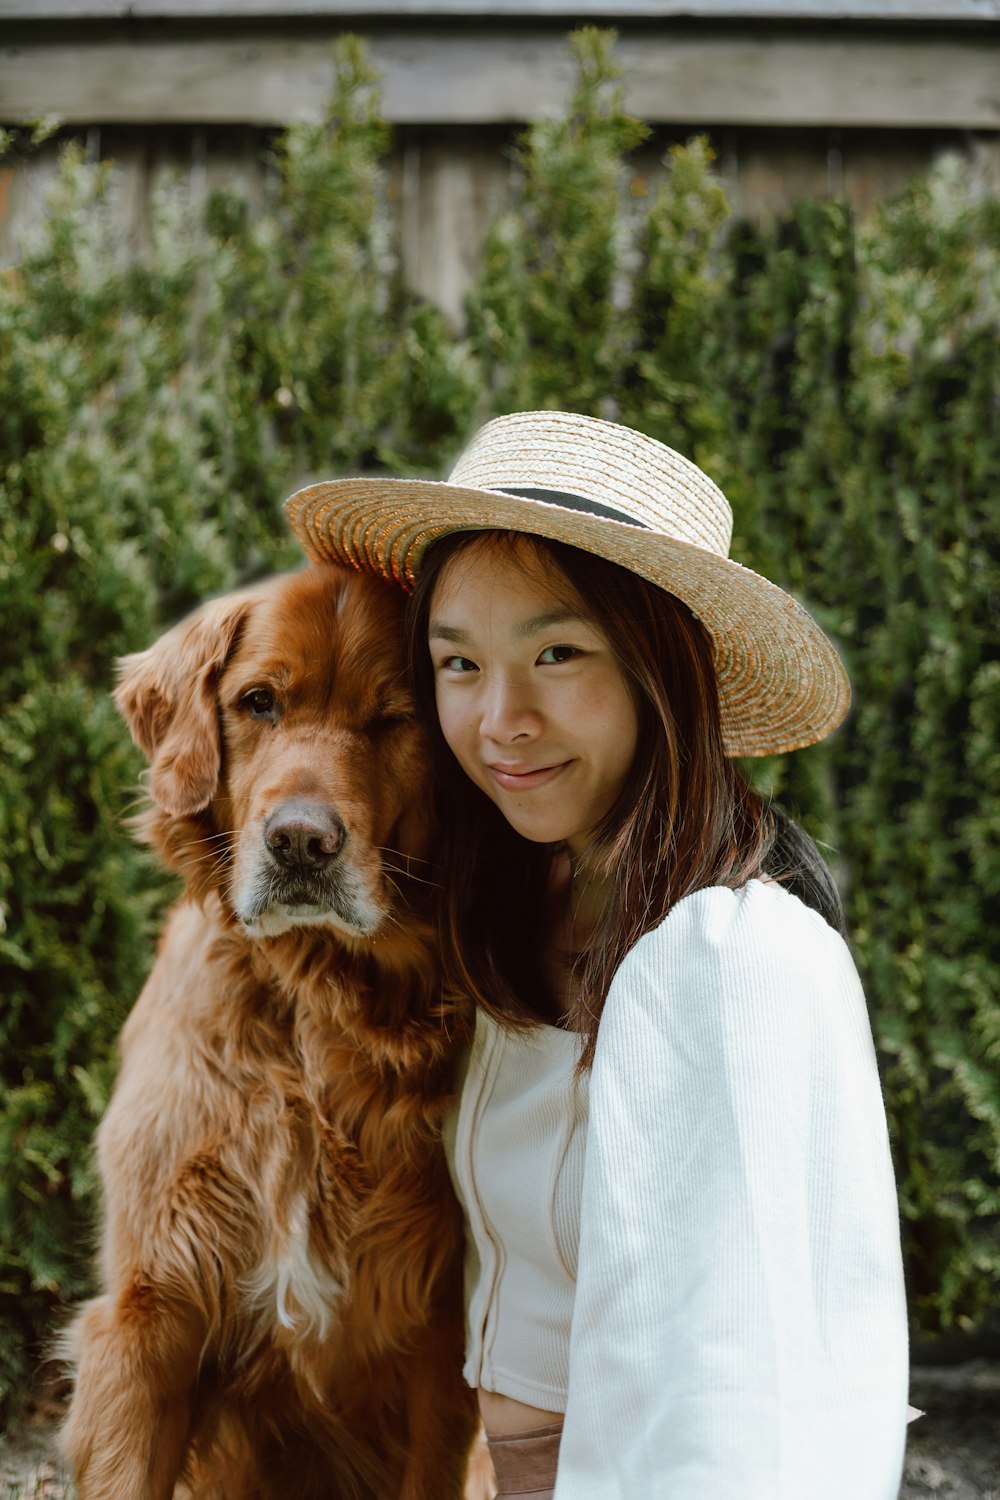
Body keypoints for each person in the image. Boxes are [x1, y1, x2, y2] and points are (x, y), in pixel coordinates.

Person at [284, 410, 910, 1500]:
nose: (499, 718)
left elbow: (741, 1406)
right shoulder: (522, 909)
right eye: (458, 664)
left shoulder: (731, 958)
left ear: (662, 668)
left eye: (557, 654)